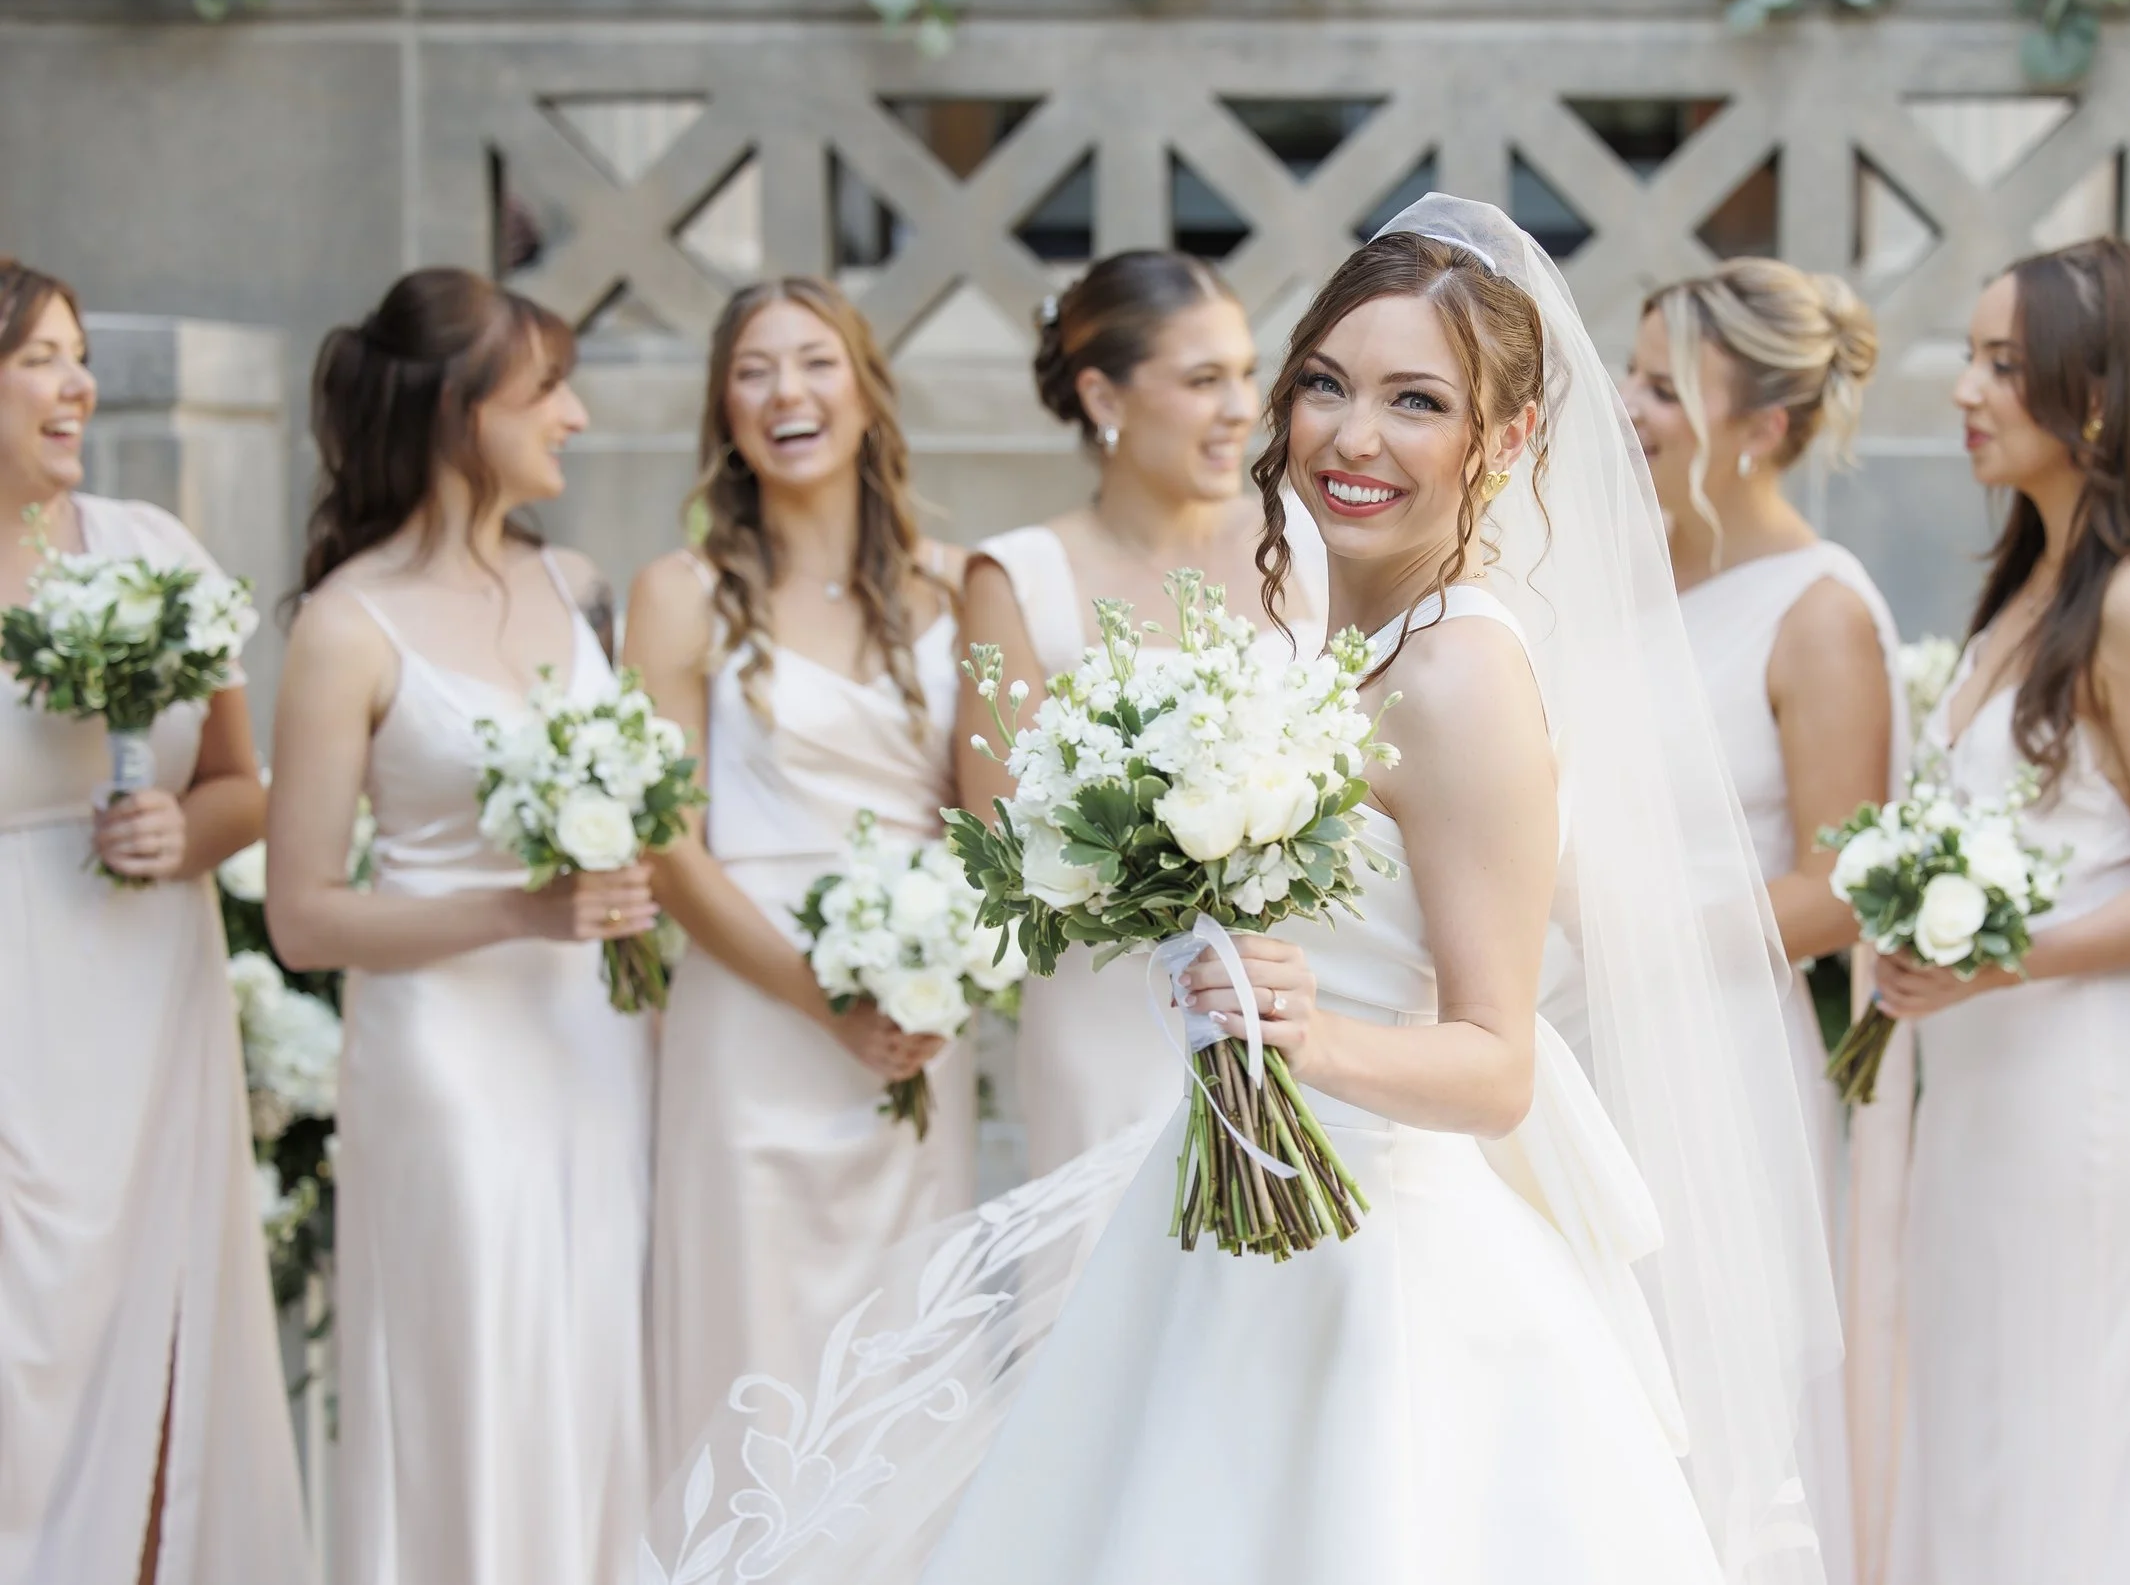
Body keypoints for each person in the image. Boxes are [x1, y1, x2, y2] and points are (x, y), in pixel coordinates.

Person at [644, 197, 1841, 1585]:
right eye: (1325, 383)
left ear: (1504, 443)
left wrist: (1309, 1035)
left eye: (1417, 401)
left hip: (1378, 1256)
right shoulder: (1327, 631)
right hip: (1232, 1202)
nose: (1351, 434)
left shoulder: (1461, 671)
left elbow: (1497, 1059)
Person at [264, 268, 654, 1585]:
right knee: (469, 1370)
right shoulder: (344, 625)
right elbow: (303, 913)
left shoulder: (583, 582)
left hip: (594, 1047)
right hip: (443, 1066)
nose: (580, 417)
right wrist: (520, 908)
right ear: (456, 410)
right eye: (549, 391)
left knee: (589, 1363)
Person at [1862, 238, 2130, 1585]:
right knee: (1980, 1438)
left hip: (2081, 1085)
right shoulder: (2029, 578)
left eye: (2001, 364)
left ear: (2095, 394)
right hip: (1984, 1078)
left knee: (2069, 1454)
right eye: (1969, 354)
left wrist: (1999, 960)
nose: (1964, 387)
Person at [0, 260, 310, 1585]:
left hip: (149, 1005)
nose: (77, 386)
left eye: (78, 358)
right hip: (18, 1012)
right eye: (39, 359)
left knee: (161, 1351)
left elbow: (242, 786)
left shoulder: (153, 550)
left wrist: (184, 832)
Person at [630, 277, 973, 1473]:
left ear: (867, 390)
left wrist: (937, 983)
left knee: (904, 1354)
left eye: (815, 362)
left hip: (917, 1020)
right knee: (750, 1354)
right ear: (725, 412)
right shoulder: (679, 592)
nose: (787, 391)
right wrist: (820, 995)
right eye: (753, 370)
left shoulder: (955, 585)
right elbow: (666, 840)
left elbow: (992, 828)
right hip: (750, 1010)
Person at [1623, 257, 1901, 1583]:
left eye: (1663, 385)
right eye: (1628, 375)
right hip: (1574, 1032)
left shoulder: (1820, 609)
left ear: (1767, 424)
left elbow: (1836, 888)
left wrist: (1637, 932)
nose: (1628, 406)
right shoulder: (1617, 583)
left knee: (1707, 1380)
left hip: (1716, 1055)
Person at [957, 251, 1325, 1176]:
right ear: (1105, 398)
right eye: (1204, 380)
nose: (1242, 407)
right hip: (1106, 1016)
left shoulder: (1307, 552)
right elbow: (1008, 838)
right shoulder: (1018, 577)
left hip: (1291, 994)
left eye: (1246, 373)